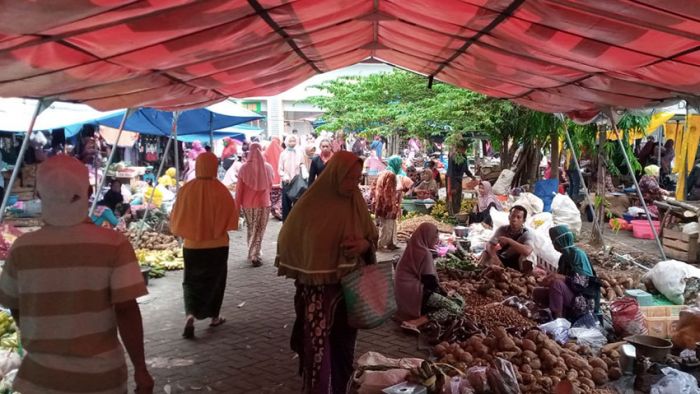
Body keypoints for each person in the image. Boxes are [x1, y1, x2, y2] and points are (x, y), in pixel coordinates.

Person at [0, 155, 153, 393]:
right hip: (101, 380)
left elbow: (16, 307)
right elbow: (126, 311)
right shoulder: (114, 244)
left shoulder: (21, 249)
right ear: (89, 191)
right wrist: (141, 370)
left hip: (40, 381)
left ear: (39, 195)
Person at [276, 151, 377, 394]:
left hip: (351, 290)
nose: (354, 184)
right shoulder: (311, 205)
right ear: (335, 175)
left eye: (357, 178)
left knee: (345, 347)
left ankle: (342, 387)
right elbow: (290, 237)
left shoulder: (356, 201)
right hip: (319, 294)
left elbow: (370, 235)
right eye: (349, 178)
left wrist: (364, 245)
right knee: (317, 352)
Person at [170, 152, 239, 339]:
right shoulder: (221, 190)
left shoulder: (186, 190)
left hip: (192, 245)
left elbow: (175, 216)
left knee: (191, 281)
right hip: (218, 245)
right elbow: (232, 219)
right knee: (216, 281)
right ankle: (214, 317)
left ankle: (190, 314)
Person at [394, 223, 464, 326]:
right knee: (456, 308)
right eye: (435, 236)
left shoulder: (411, 248)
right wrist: (445, 295)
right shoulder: (425, 253)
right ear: (427, 236)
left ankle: (417, 317)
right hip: (416, 295)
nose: (436, 240)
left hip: (403, 296)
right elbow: (429, 283)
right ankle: (416, 322)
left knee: (453, 301)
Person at [533, 225, 599, 320]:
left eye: (554, 241)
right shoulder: (564, 257)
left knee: (557, 284)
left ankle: (558, 321)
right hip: (572, 294)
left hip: (585, 300)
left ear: (559, 242)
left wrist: (561, 278)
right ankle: (550, 315)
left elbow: (584, 282)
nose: (553, 244)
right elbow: (561, 276)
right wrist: (547, 275)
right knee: (537, 292)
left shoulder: (578, 255)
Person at [236, 143, 274, 267]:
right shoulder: (268, 168)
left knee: (251, 228)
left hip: (248, 205)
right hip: (264, 203)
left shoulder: (243, 168)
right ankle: (254, 253)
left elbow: (239, 190)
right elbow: (270, 186)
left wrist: (237, 207)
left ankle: (252, 252)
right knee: (260, 229)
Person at [482, 205, 535, 273]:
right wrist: (494, 256)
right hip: (502, 259)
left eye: (518, 217)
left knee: (528, 257)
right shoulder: (502, 229)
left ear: (523, 220)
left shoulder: (527, 233)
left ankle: (524, 277)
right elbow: (490, 244)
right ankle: (478, 274)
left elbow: (527, 251)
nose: (514, 219)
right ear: (509, 217)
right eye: (512, 216)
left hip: (517, 263)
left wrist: (509, 241)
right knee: (486, 253)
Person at [279, 135, 306, 221]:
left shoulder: (299, 152)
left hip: (297, 181)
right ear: (286, 142)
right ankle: (286, 223)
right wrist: (284, 176)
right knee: (286, 204)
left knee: (297, 203)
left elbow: (302, 163)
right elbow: (279, 169)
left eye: (294, 141)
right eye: (290, 141)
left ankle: (296, 223)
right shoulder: (283, 154)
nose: (292, 143)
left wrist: (304, 169)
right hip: (287, 182)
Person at [446, 143, 474, 215]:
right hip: (452, 180)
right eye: (462, 149)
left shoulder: (464, 157)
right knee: (452, 198)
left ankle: (457, 213)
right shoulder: (453, 157)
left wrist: (472, 176)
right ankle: (451, 214)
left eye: (464, 149)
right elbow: (450, 172)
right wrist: (451, 187)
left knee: (458, 198)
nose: (463, 151)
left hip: (459, 180)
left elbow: (465, 169)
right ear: (458, 148)